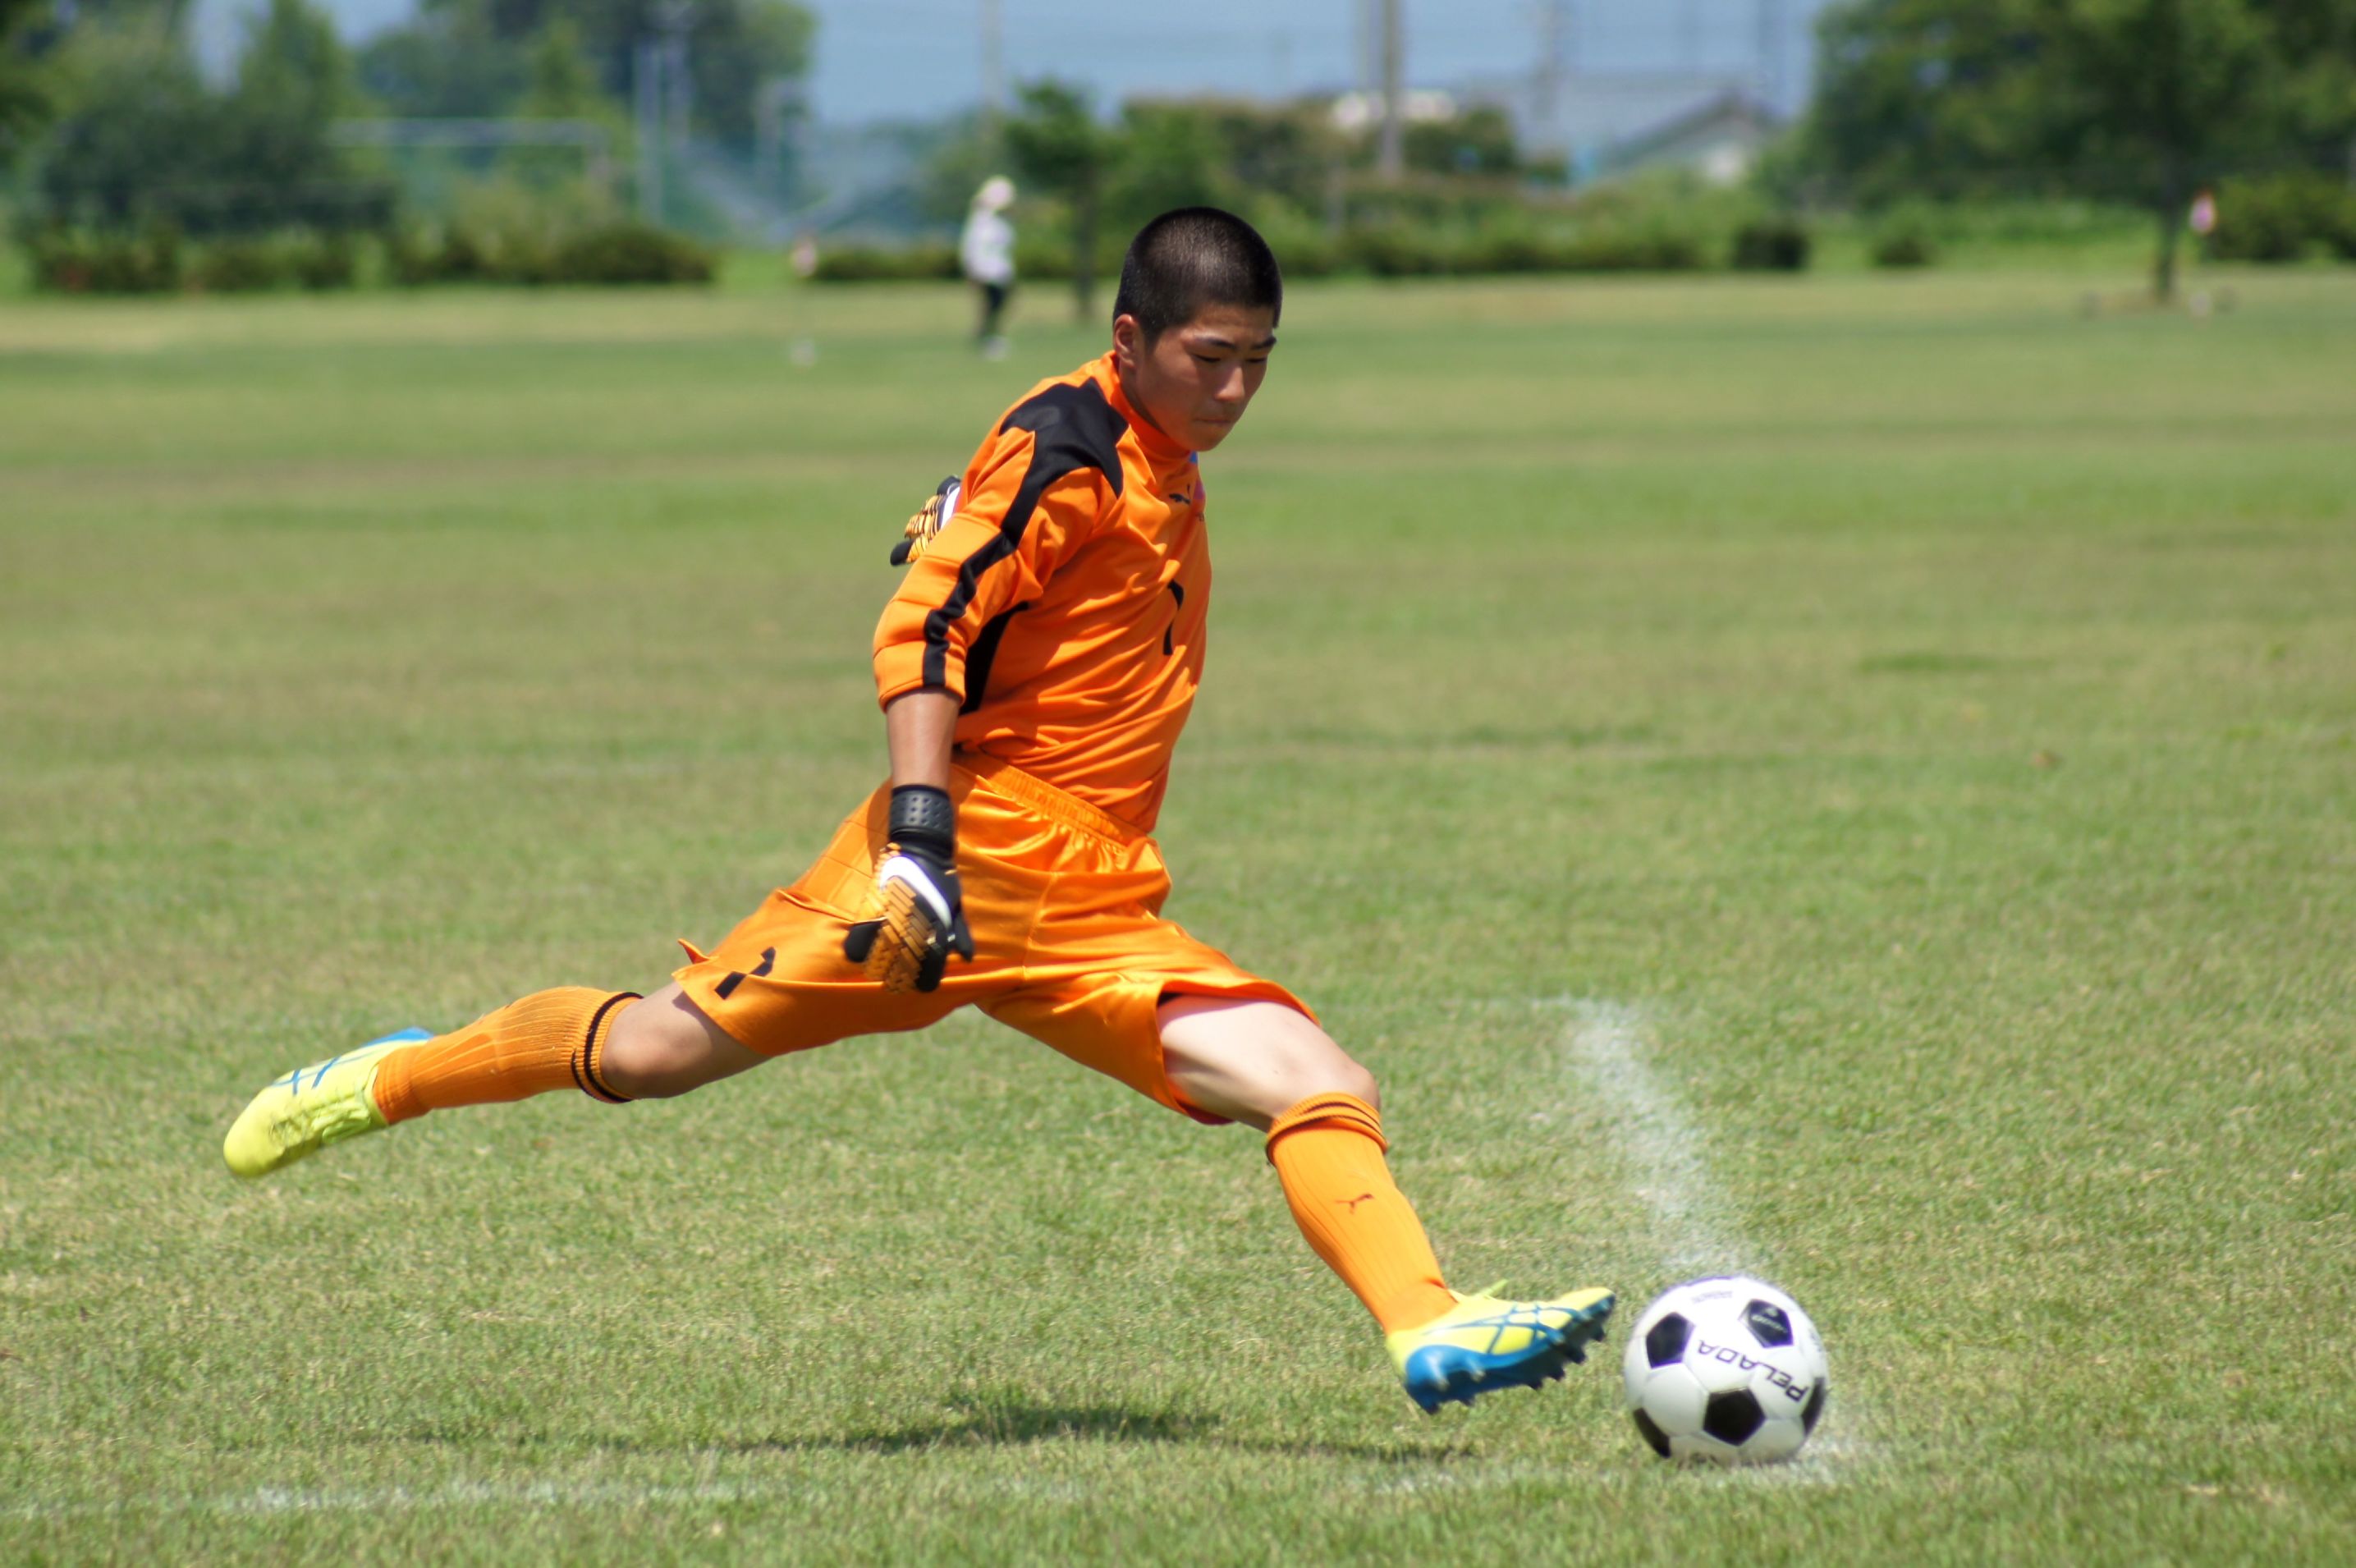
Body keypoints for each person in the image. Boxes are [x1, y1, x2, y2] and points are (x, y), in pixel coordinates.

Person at [222, 207, 1614, 1414]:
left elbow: (988, 547)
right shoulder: (1070, 447)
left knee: (1319, 1080)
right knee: (649, 1053)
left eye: (1259, 360)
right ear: (1130, 341)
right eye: (1211, 358)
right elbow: (923, 627)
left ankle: (1426, 1323)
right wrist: (923, 843)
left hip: (1091, 899)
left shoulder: (1132, 441)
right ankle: (391, 1078)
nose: (1237, 389)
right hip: (960, 862)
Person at [960, 176, 1017, 358]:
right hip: (987, 272)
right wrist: (973, 271)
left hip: (1000, 272)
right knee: (991, 305)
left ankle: (990, 336)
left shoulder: (999, 221)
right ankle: (987, 338)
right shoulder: (982, 221)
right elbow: (972, 248)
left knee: (999, 306)